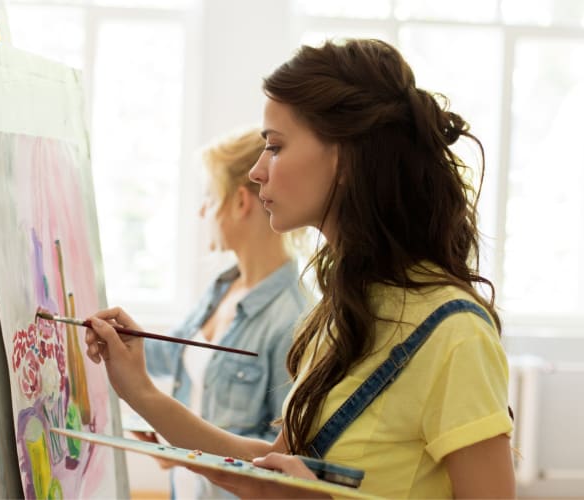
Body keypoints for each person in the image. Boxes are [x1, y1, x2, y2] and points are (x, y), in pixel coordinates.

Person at [84, 39, 515, 498]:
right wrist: (141, 392)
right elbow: (266, 472)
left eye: (274, 147)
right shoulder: (341, 313)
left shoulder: (455, 334)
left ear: (345, 156)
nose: (256, 171)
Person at [131, 127, 308, 499]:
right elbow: (171, 354)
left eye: (209, 197)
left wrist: (185, 447)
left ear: (241, 202)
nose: (201, 211)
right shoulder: (221, 288)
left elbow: (283, 455)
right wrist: (117, 335)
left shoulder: (294, 319)